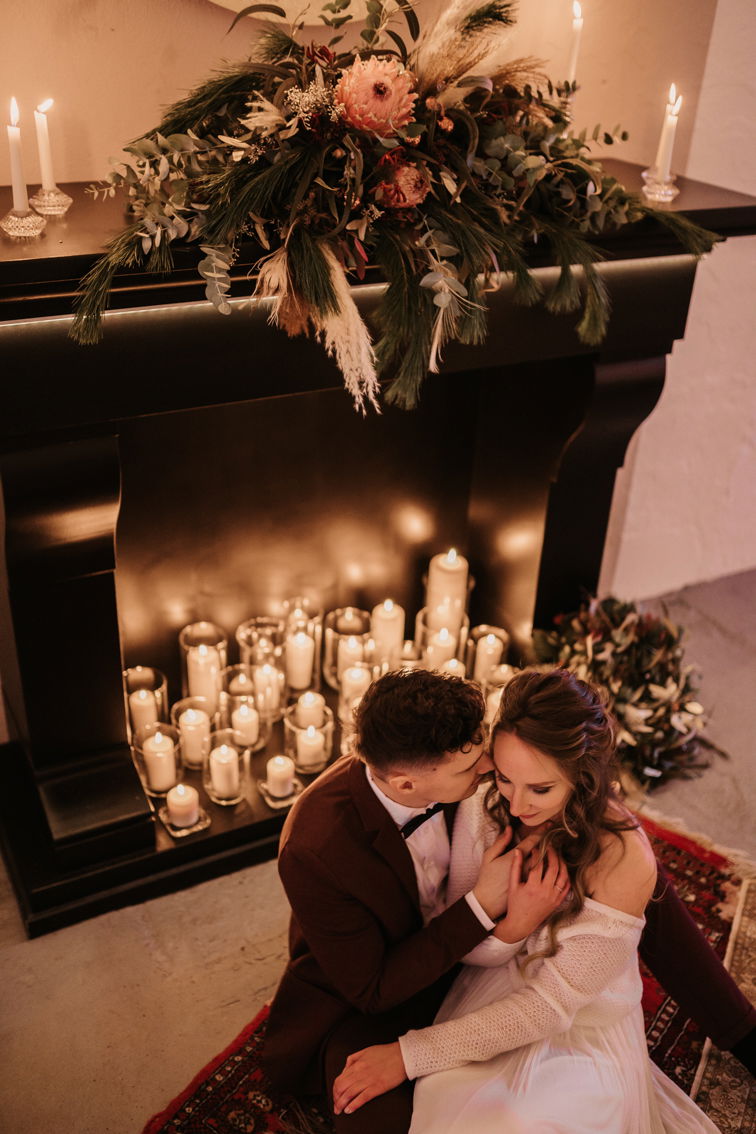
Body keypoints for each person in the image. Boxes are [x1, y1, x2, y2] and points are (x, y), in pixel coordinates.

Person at [263, 668, 754, 1133]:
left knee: (634, 878)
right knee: (370, 1108)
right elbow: (373, 988)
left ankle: (741, 1029)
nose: (490, 773)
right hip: (394, 982)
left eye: (535, 785)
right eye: (493, 773)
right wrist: (504, 920)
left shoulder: (461, 756)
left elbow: (549, 1001)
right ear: (408, 785)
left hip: (538, 997)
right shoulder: (319, 848)